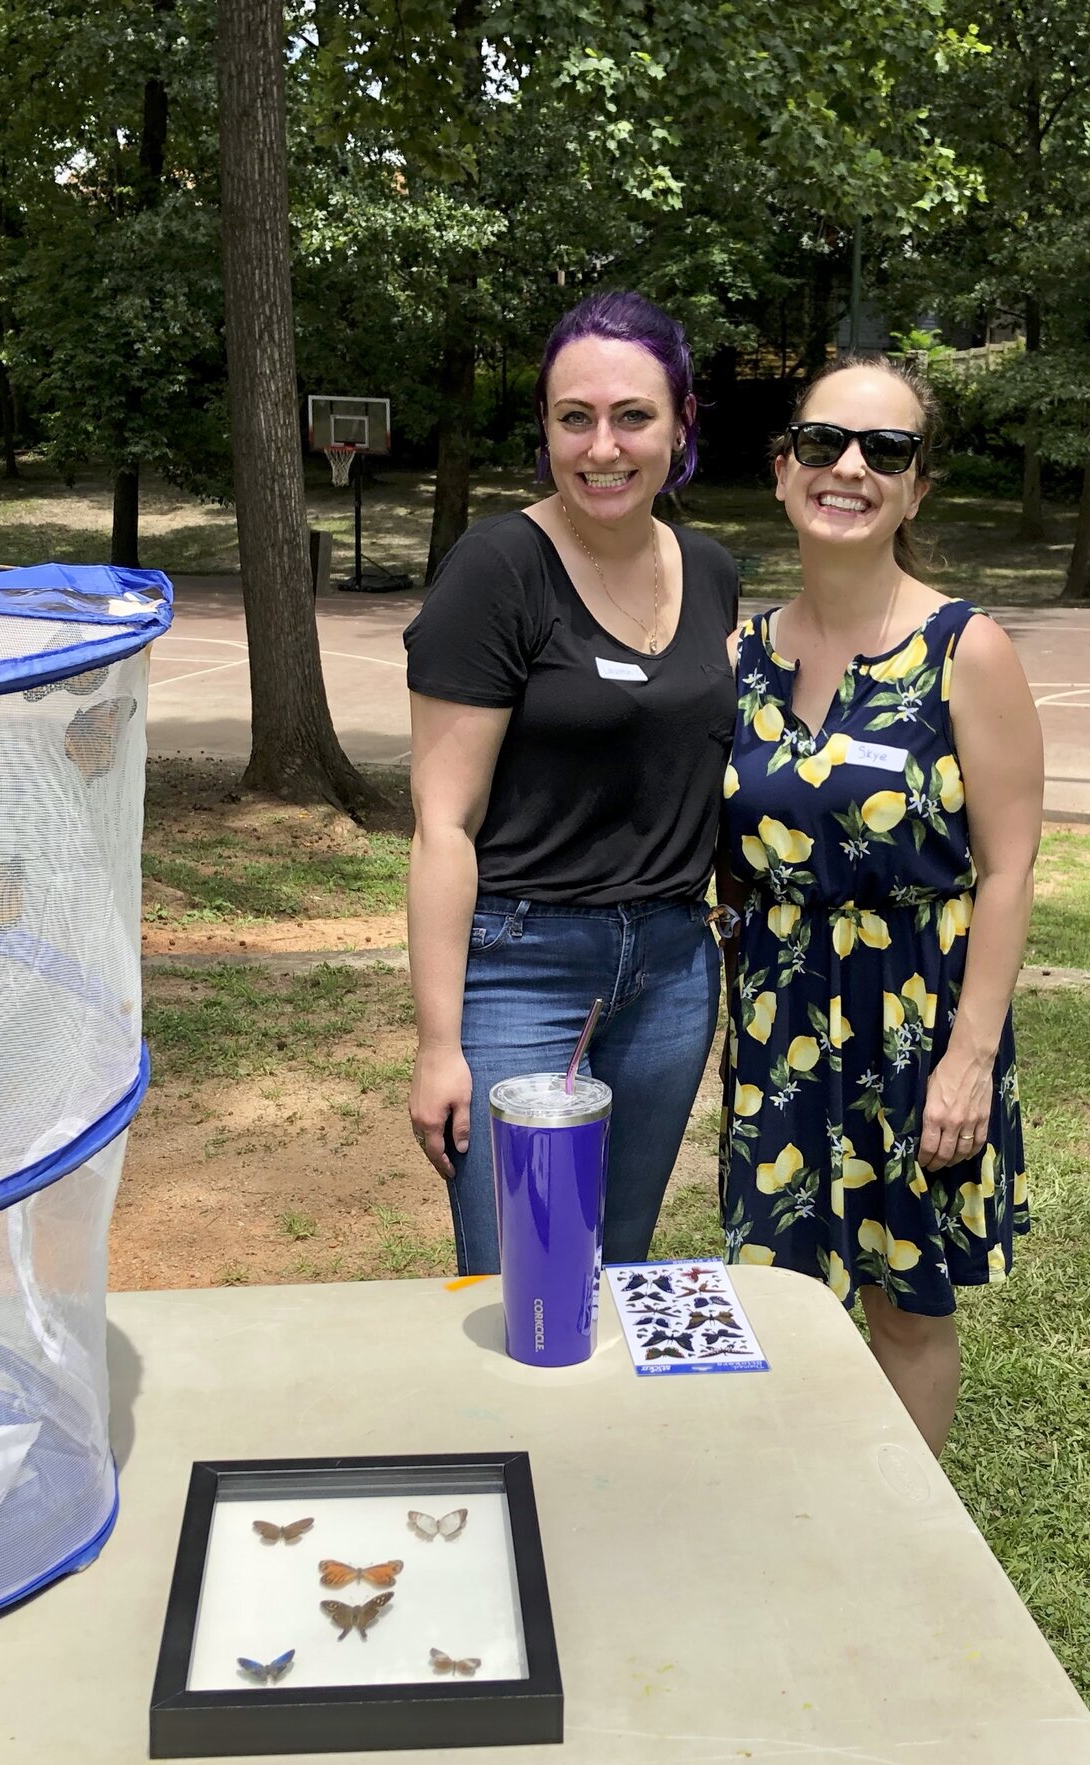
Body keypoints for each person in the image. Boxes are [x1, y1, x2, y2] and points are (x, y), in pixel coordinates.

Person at [717, 357, 1044, 1453]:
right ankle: (800, 1530)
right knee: (777, 1298)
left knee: (905, 1307)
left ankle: (911, 1551)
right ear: (781, 471)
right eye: (822, 443)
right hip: (778, 1019)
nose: (848, 468)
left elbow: (1006, 870)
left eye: (883, 451)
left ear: (915, 488)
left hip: (917, 1023)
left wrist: (968, 1058)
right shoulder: (739, 660)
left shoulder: (966, 652)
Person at [404, 290, 740, 1273]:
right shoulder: (497, 569)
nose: (603, 447)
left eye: (632, 416)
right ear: (545, 427)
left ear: (678, 425)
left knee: (621, 1265)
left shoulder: (711, 570)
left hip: (674, 971)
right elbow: (441, 824)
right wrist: (438, 1045)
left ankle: (598, 1440)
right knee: (531, 1279)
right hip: (523, 967)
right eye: (573, 418)